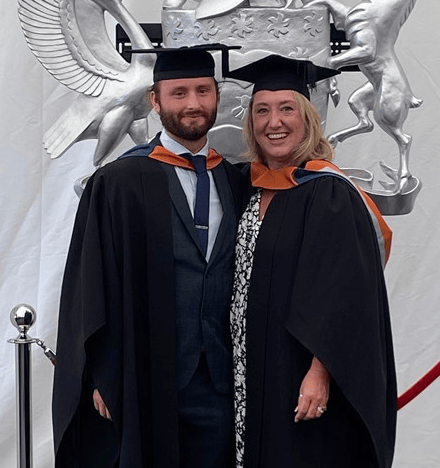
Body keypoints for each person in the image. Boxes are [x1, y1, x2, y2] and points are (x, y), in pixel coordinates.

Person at [52, 45, 245, 468]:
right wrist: (104, 375)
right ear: (154, 101)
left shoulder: (234, 180)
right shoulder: (119, 181)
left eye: (202, 90)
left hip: (219, 380)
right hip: (143, 373)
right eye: (178, 93)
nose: (192, 104)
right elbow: (92, 285)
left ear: (217, 95)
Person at [227, 55, 397, 468]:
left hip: (298, 370)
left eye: (287, 108)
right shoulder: (242, 190)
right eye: (262, 111)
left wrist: (319, 373)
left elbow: (346, 294)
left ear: (307, 118)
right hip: (243, 367)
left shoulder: (328, 194)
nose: (274, 122)